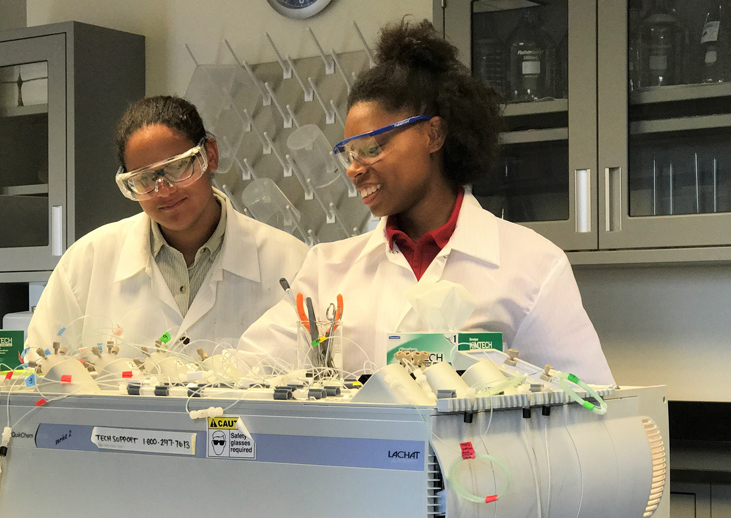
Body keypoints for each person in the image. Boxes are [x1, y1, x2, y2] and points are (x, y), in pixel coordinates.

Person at [237, 19, 614, 384]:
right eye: (350, 154)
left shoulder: (533, 266)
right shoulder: (327, 270)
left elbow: (592, 401)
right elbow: (245, 370)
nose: (354, 170)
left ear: (433, 135)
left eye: (372, 148)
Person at [28, 95, 308, 356]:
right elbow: (40, 370)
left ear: (210, 156)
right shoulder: (86, 262)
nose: (163, 190)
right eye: (144, 178)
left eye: (177, 167)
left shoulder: (291, 263)